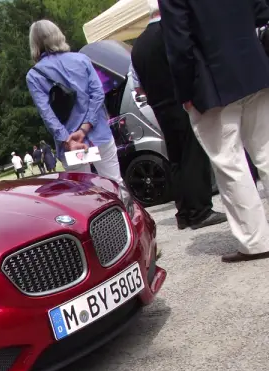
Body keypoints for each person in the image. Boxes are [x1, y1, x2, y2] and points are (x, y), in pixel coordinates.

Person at [159, 0, 269, 262]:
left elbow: (179, 43)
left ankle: (255, 241)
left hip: (211, 80)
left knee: (230, 163)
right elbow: (261, 12)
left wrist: (185, 91)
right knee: (266, 150)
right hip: (254, 65)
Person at [130, 9, 226, 231]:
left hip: (159, 106)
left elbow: (138, 85)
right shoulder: (171, 32)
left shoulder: (138, 45)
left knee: (175, 159)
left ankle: (183, 211)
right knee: (193, 156)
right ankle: (200, 210)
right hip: (182, 101)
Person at [26, 20, 121, 181]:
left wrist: (66, 139)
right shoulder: (82, 59)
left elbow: (47, 114)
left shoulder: (34, 76)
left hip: (71, 145)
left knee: (83, 192)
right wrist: (85, 128)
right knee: (115, 183)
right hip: (99, 134)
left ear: (34, 44)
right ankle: (125, 206)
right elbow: (98, 94)